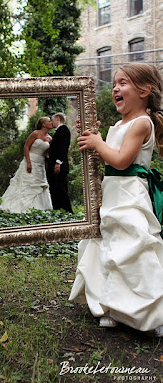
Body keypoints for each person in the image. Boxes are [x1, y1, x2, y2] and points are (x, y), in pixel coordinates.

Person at [69, 63, 163, 337]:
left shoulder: (142, 122)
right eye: (114, 85)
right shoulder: (119, 124)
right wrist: (93, 139)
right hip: (112, 193)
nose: (116, 88)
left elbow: (121, 161)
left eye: (123, 83)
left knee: (131, 246)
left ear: (144, 90)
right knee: (108, 246)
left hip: (130, 195)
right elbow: (108, 157)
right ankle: (111, 305)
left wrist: (99, 144)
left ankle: (146, 309)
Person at [0, 117, 53, 213]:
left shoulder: (50, 138)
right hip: (31, 160)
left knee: (39, 184)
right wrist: (28, 162)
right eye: (49, 121)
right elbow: (26, 147)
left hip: (40, 164)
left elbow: (47, 153)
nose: (51, 122)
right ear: (44, 124)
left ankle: (38, 207)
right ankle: (19, 206)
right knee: (26, 183)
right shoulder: (35, 133)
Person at [47, 112, 73, 213]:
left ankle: (67, 211)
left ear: (58, 119)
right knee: (56, 188)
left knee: (61, 188)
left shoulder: (63, 130)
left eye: (52, 119)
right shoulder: (59, 131)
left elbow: (63, 148)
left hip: (59, 165)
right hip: (55, 164)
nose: (51, 122)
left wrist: (58, 163)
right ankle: (58, 209)